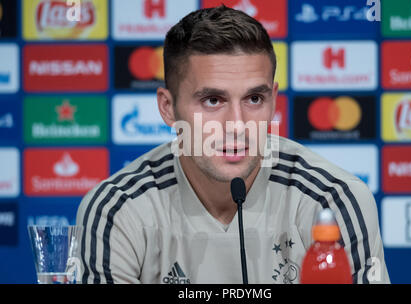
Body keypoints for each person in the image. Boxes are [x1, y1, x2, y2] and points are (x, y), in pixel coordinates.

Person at [76, 5, 390, 284]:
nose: (237, 125)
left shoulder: (333, 201)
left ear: (273, 100)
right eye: (213, 100)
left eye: (254, 99)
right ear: (168, 107)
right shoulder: (117, 210)